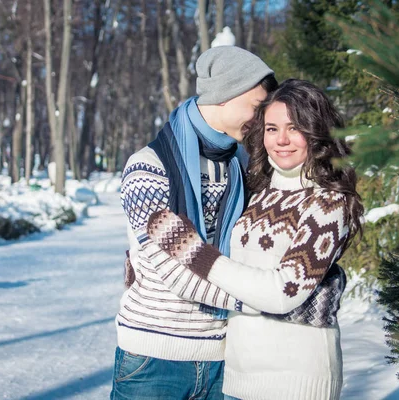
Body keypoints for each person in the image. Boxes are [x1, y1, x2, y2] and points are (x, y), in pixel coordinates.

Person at [145, 79, 364, 400]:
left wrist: (195, 253)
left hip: (296, 379)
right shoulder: (258, 190)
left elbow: (281, 293)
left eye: (295, 128)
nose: (282, 140)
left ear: (317, 132)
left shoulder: (327, 202)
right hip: (238, 374)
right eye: (272, 129)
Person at [111, 46, 277, 400]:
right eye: (257, 107)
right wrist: (270, 300)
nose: (262, 120)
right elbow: (173, 271)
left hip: (224, 358)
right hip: (154, 360)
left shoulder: (244, 167)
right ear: (225, 95)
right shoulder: (148, 166)